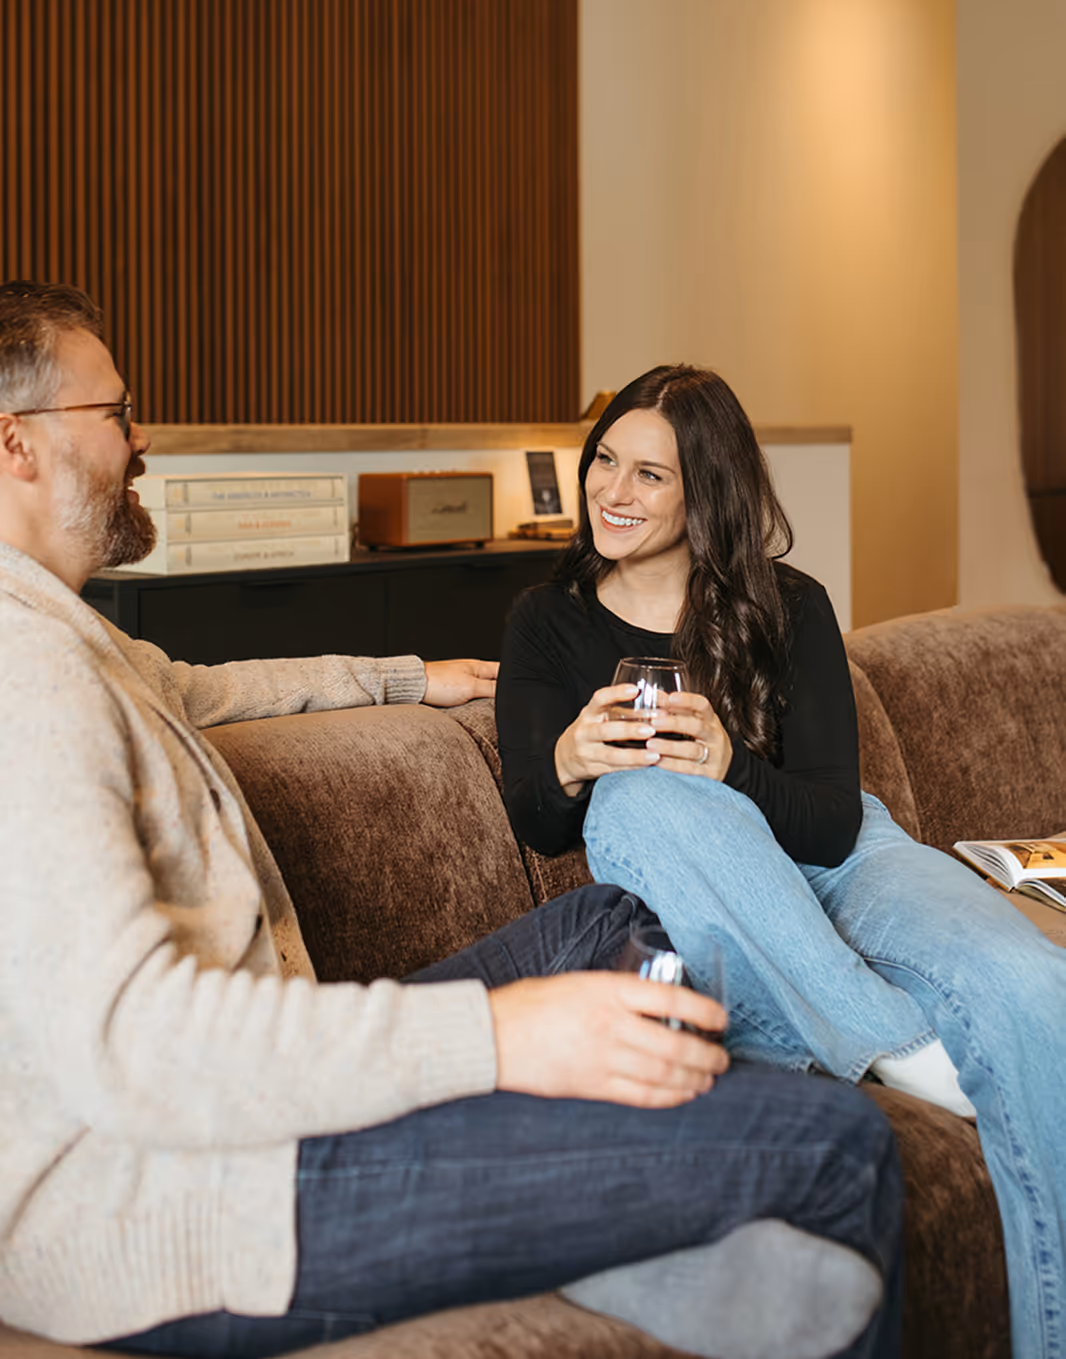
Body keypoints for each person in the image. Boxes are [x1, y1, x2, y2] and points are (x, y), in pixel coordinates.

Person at [0, 284, 904, 1359]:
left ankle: (625, 1212)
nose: (139, 437)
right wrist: (505, 1037)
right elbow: (138, 1043)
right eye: (116, 412)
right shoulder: (28, 676)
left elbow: (206, 685)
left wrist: (402, 675)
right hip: (186, 1200)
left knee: (601, 918)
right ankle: (666, 1184)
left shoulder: (72, 638)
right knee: (841, 1144)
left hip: (257, 1116)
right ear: (18, 443)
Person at [496, 361, 1066, 1359]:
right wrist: (567, 758)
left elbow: (832, 825)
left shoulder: (787, 603)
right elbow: (545, 823)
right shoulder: (546, 619)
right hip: (695, 866)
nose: (610, 492)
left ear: (704, 492)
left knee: (1037, 983)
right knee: (640, 792)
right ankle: (889, 1041)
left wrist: (732, 762)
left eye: (648, 475)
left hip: (837, 854)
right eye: (603, 462)